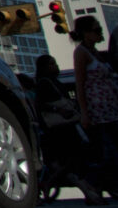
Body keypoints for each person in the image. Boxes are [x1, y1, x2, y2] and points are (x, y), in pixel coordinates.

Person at [34, 53, 113, 203]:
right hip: (59, 129)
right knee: (72, 160)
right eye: (51, 64)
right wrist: (59, 110)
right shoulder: (44, 83)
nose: (55, 66)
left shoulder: (55, 82)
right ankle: (52, 183)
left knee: (74, 161)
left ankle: (83, 191)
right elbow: (40, 105)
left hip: (67, 125)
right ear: (44, 67)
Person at [72, 14, 118, 196]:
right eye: (96, 30)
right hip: (98, 111)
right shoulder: (81, 53)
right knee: (112, 150)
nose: (100, 33)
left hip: (112, 109)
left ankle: (105, 187)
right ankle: (102, 185)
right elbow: (79, 84)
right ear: (85, 33)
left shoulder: (96, 52)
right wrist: (84, 113)